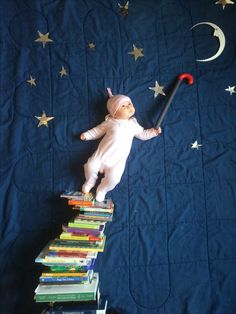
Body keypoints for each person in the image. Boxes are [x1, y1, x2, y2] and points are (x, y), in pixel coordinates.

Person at [80, 88, 162, 202]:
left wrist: (153, 132)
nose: (128, 106)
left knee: (114, 179)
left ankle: (102, 189)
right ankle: (89, 181)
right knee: (90, 166)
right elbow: (97, 131)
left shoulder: (134, 125)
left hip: (117, 162)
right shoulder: (110, 122)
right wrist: (87, 135)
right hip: (101, 155)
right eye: (123, 106)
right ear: (114, 113)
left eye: (129, 103)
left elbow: (142, 134)